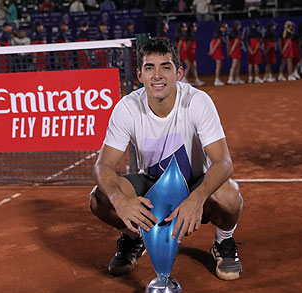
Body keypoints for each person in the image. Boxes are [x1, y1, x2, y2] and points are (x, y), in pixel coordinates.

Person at [90, 37, 244, 280]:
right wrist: (119, 200)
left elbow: (224, 163)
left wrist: (197, 197)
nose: (157, 75)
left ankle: (223, 242)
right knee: (99, 199)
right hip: (151, 186)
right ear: (139, 75)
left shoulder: (197, 102)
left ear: (179, 72)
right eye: (150, 68)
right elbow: (103, 166)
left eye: (166, 67)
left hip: (194, 184)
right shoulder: (127, 107)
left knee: (230, 195)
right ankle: (134, 238)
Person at [209, 22, 227, 86]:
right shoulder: (219, 34)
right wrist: (213, 50)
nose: (225, 29)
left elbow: (211, 42)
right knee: (218, 65)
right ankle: (216, 80)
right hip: (217, 50)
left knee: (219, 65)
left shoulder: (217, 33)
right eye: (224, 27)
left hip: (216, 50)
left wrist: (211, 50)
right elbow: (217, 43)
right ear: (220, 28)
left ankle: (217, 79)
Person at [226, 20, 243, 84]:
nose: (240, 26)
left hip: (235, 50)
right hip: (235, 50)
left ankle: (237, 78)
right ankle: (230, 78)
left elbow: (228, 43)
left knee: (238, 65)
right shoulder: (237, 33)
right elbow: (235, 43)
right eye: (239, 25)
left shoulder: (231, 33)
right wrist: (231, 51)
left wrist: (229, 51)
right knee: (234, 65)